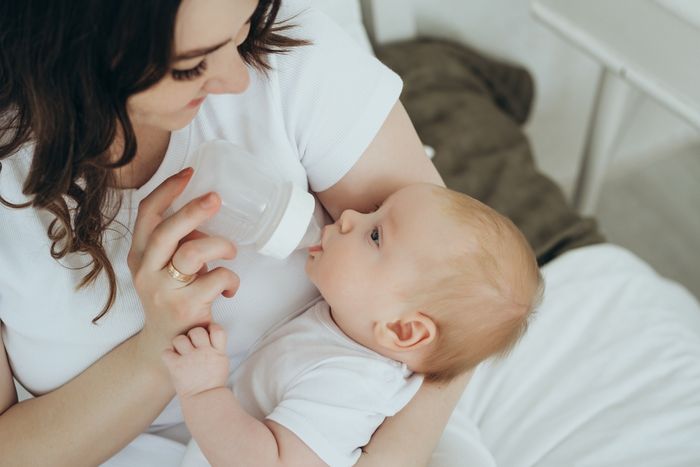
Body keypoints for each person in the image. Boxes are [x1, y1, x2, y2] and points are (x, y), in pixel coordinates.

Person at [0, 1, 471, 465]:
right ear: (73, 52)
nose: (237, 79)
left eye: (243, 28)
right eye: (191, 65)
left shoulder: (294, 55)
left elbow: (460, 299)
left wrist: (391, 459)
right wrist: (160, 345)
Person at [164, 182, 543, 467]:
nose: (349, 217)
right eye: (375, 210)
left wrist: (204, 392)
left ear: (402, 330)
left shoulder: (346, 383)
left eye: (375, 235)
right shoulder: (347, 322)